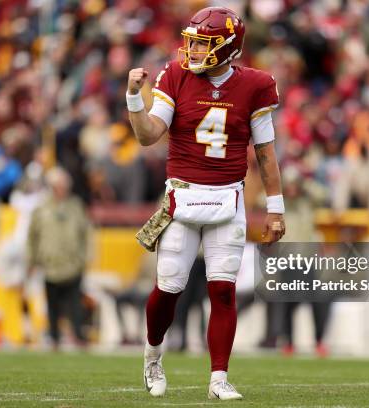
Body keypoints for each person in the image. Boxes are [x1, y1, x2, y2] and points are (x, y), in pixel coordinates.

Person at [127, 7, 285, 400]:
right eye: (191, 41)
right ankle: (152, 356)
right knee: (168, 289)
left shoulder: (256, 85)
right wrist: (134, 98)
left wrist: (277, 208)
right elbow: (149, 136)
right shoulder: (176, 75)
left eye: (202, 43)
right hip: (183, 196)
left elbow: (265, 153)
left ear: (227, 48)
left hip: (227, 198)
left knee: (223, 292)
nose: (192, 50)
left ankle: (218, 378)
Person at [27, 167, 91, 349]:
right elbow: (33, 236)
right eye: (59, 185)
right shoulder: (41, 208)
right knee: (52, 305)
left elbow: (86, 233)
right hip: (50, 264)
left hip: (72, 264)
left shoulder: (76, 206)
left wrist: (85, 258)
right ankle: (53, 338)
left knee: (75, 306)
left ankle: (79, 337)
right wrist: (32, 260)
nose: (63, 189)